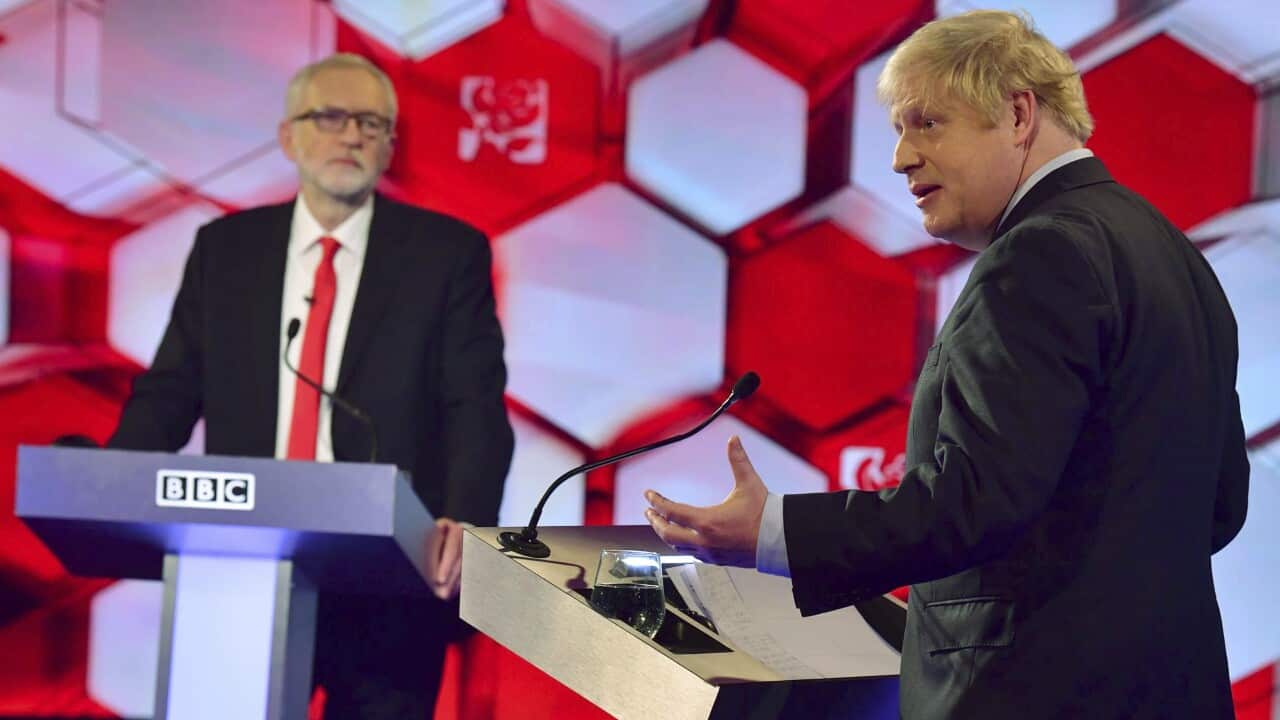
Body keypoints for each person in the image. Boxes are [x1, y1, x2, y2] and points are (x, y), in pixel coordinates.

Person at [643, 10, 1249, 720]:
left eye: (927, 123)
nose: (901, 157)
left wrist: (774, 532)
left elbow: (973, 502)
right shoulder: (1172, 253)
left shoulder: (1040, 255)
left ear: (1018, 114)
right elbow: (1220, 506)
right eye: (899, 130)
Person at [108, 53, 514, 718]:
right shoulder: (226, 251)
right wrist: (113, 485)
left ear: (389, 147)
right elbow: (171, 392)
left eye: (371, 124)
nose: (352, 135)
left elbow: (475, 407)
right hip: (239, 568)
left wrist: (466, 520)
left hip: (387, 579)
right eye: (330, 117)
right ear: (288, 136)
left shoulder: (445, 254)